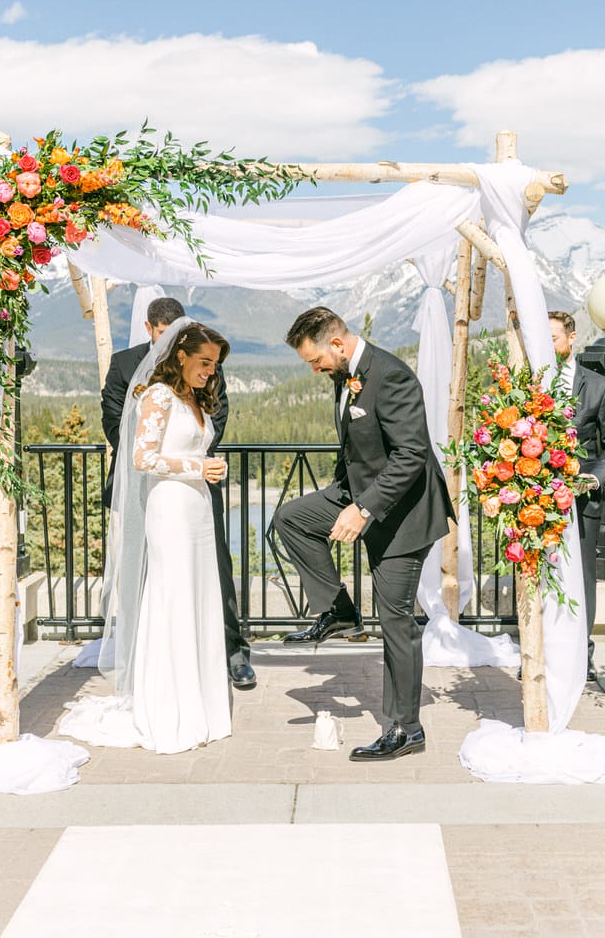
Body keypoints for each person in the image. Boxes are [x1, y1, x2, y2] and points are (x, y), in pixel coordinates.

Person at [274, 308, 453, 761]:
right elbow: (356, 447)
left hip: (405, 512)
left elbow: (411, 455)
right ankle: (337, 612)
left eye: (314, 360)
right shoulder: (345, 377)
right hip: (360, 495)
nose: (314, 369)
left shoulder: (391, 376)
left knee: (395, 619)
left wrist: (364, 508)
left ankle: (405, 729)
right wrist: (344, 495)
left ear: (336, 344)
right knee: (291, 519)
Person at [60, 320, 235, 754]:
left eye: (214, 364)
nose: (210, 371)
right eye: (204, 362)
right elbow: (141, 458)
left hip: (196, 509)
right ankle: (170, 711)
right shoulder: (158, 396)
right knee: (173, 599)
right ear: (180, 355)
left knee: (199, 599)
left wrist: (207, 468)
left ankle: (202, 707)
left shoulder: (195, 398)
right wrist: (198, 468)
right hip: (170, 509)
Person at [100, 296, 254, 690]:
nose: (210, 371)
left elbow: (217, 414)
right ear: (152, 330)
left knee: (209, 575)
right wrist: (190, 461)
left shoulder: (202, 377)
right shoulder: (131, 371)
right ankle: (154, 666)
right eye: (204, 364)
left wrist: (197, 457)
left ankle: (225, 653)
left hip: (198, 496)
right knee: (157, 580)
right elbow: (122, 427)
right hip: (161, 494)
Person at [549, 311, 605, 681]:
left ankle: (583, 654)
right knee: (540, 576)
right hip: (536, 499)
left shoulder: (598, 385)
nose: (548, 346)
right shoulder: (530, 381)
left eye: (554, 338)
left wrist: (592, 480)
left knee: (581, 578)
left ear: (572, 338)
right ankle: (539, 651)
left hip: (582, 502)